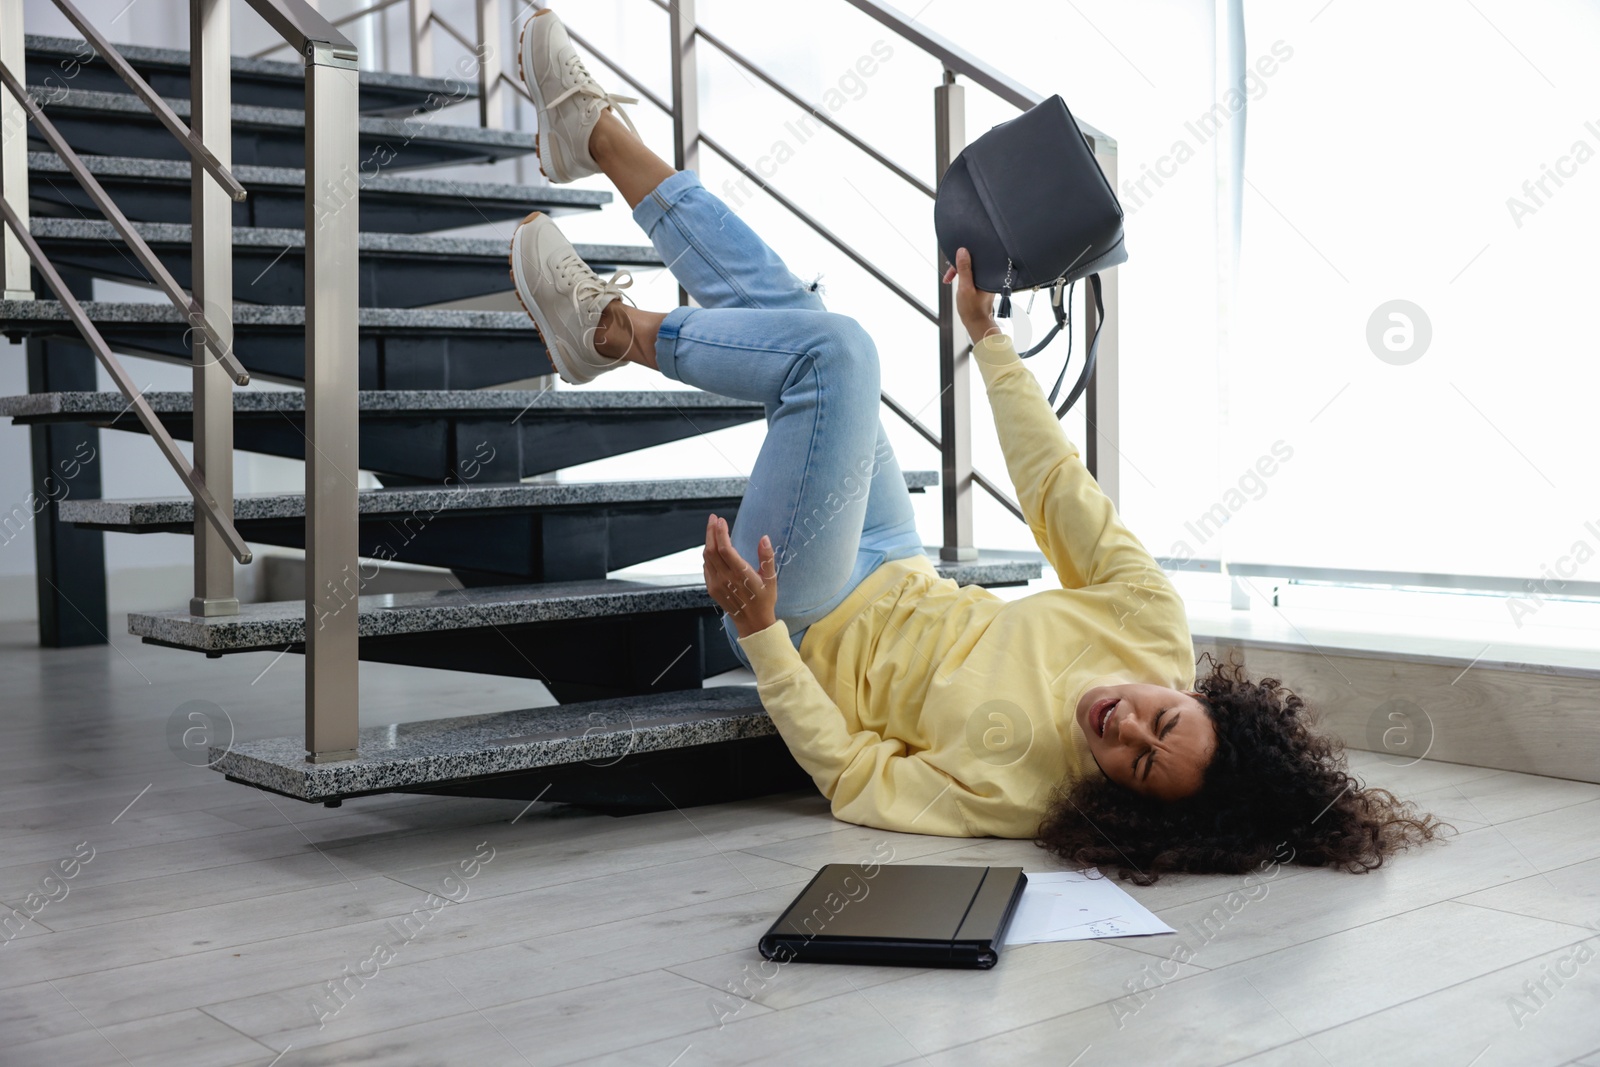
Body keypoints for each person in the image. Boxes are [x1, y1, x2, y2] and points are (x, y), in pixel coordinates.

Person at [509, 8, 1444, 883]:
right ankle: (596, 152)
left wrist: (762, 636)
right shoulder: (1153, 625)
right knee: (806, 320)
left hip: (805, 610)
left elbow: (853, 777)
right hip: (895, 563)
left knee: (835, 354)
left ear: (1134, 805)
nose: (1126, 731)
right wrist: (990, 343)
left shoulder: (1024, 798)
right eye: (1162, 720)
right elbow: (1053, 487)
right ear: (1197, 697)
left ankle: (617, 324)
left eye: (1139, 766)